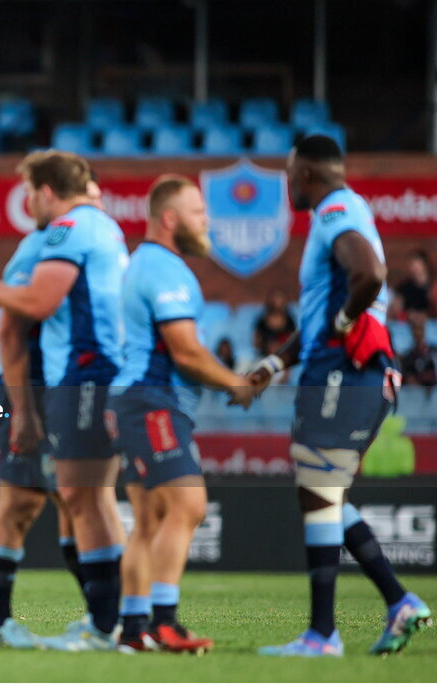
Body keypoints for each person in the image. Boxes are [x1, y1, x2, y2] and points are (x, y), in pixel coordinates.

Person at [249, 135, 431, 657]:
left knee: (319, 487)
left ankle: (323, 634)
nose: (286, 185)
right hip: (353, 370)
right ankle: (397, 602)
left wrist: (346, 320)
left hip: (346, 370)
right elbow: (318, 320)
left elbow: (369, 273)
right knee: (322, 493)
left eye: (288, 174)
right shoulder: (341, 212)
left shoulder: (334, 212)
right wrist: (272, 364)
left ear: (306, 173)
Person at [0, 151, 128, 651]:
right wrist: (22, 408)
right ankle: (6, 624)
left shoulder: (58, 239)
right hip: (29, 389)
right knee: (29, 502)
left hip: (55, 387)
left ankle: (108, 618)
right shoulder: (65, 239)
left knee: (79, 500)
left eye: (30, 192)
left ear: (46, 192)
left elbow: (14, 325)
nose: (27, 202)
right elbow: (12, 336)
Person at [108, 176, 254, 653]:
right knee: (188, 506)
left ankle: (133, 630)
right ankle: (164, 623)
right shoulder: (164, 268)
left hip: (138, 401)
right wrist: (235, 382)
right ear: (169, 219)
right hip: (154, 401)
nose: (206, 221)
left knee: (149, 520)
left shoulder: (145, 264)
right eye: (198, 212)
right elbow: (186, 353)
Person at [253, 288, 297, 358]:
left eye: (280, 298)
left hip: (285, 358)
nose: (278, 302)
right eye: (276, 298)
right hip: (265, 358)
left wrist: (281, 346)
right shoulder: (262, 321)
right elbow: (256, 342)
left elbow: (293, 340)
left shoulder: (289, 320)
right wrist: (268, 347)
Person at [392, 249, 433, 321]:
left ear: (425, 265)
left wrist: (425, 316)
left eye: (416, 265)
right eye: (411, 265)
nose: (413, 268)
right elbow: (395, 310)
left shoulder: (433, 287)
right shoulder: (404, 288)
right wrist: (408, 315)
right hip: (407, 327)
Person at [400, 317, 437, 388]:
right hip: (416, 395)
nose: (418, 332)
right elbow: (408, 379)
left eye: (420, 328)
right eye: (416, 329)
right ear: (412, 332)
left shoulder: (434, 352)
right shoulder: (408, 357)